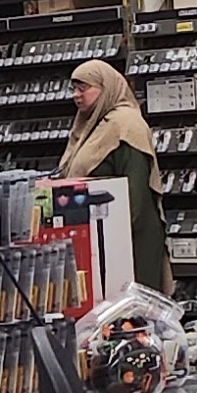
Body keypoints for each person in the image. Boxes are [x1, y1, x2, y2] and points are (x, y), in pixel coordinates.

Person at [60, 57, 168, 288]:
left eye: (83, 88)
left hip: (130, 241)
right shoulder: (92, 124)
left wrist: (116, 238)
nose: (76, 95)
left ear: (106, 87)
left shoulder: (126, 126)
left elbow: (135, 193)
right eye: (74, 89)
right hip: (100, 238)